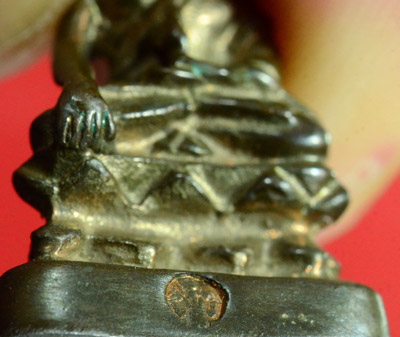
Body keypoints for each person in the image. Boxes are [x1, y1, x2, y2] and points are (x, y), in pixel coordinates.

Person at [1, 0, 399, 236]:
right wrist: (81, 89)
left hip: (216, 107)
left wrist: (208, 78)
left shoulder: (231, 10)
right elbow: (71, 51)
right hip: (144, 107)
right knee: (63, 135)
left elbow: (260, 72)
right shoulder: (104, 6)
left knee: (305, 137)